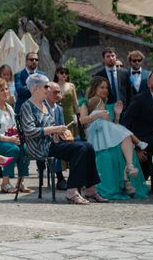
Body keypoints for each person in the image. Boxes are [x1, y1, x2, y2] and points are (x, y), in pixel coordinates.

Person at [20, 73, 102, 205]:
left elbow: (51, 126)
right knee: (79, 149)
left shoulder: (45, 104)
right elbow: (29, 131)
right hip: (39, 147)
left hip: (52, 143)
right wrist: (54, 130)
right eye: (46, 86)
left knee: (88, 146)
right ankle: (72, 192)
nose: (48, 89)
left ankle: (91, 189)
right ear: (35, 88)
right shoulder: (27, 106)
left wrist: (61, 133)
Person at [79, 86, 148, 200]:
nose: (105, 90)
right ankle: (126, 177)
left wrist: (117, 115)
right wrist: (99, 114)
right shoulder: (90, 104)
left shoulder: (108, 106)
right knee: (124, 136)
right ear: (94, 87)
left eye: (106, 88)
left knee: (125, 138)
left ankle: (127, 176)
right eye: (102, 87)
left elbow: (112, 127)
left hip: (107, 139)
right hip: (99, 141)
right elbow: (83, 120)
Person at [53, 66, 79, 131]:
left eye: (66, 73)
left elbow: (75, 102)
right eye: (62, 72)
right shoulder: (53, 86)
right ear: (57, 74)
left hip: (70, 114)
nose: (64, 74)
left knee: (72, 136)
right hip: (57, 114)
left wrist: (78, 115)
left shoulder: (71, 85)